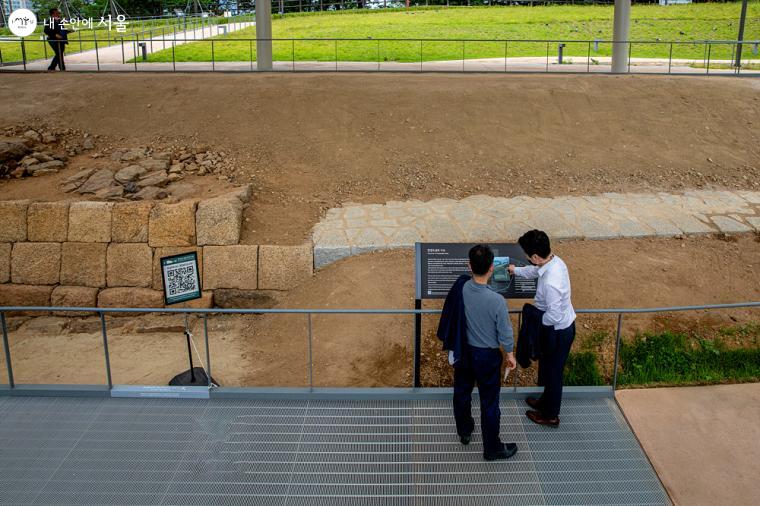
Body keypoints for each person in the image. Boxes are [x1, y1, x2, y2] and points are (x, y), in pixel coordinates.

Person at [438, 244, 518, 461]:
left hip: (464, 352)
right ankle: (492, 447)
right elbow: (505, 334)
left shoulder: (462, 287)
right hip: (487, 357)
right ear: (492, 268)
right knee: (489, 402)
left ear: (469, 265)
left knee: (462, 393)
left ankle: (465, 431)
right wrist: (510, 355)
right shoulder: (496, 301)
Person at [509, 230, 576, 428]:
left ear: (536, 257)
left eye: (528, 256)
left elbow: (553, 316)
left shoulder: (551, 283)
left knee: (554, 374)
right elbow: (535, 270)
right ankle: (545, 402)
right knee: (548, 368)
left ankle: (550, 415)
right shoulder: (554, 261)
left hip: (557, 331)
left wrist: (536, 323)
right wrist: (516, 270)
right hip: (558, 327)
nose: (527, 259)